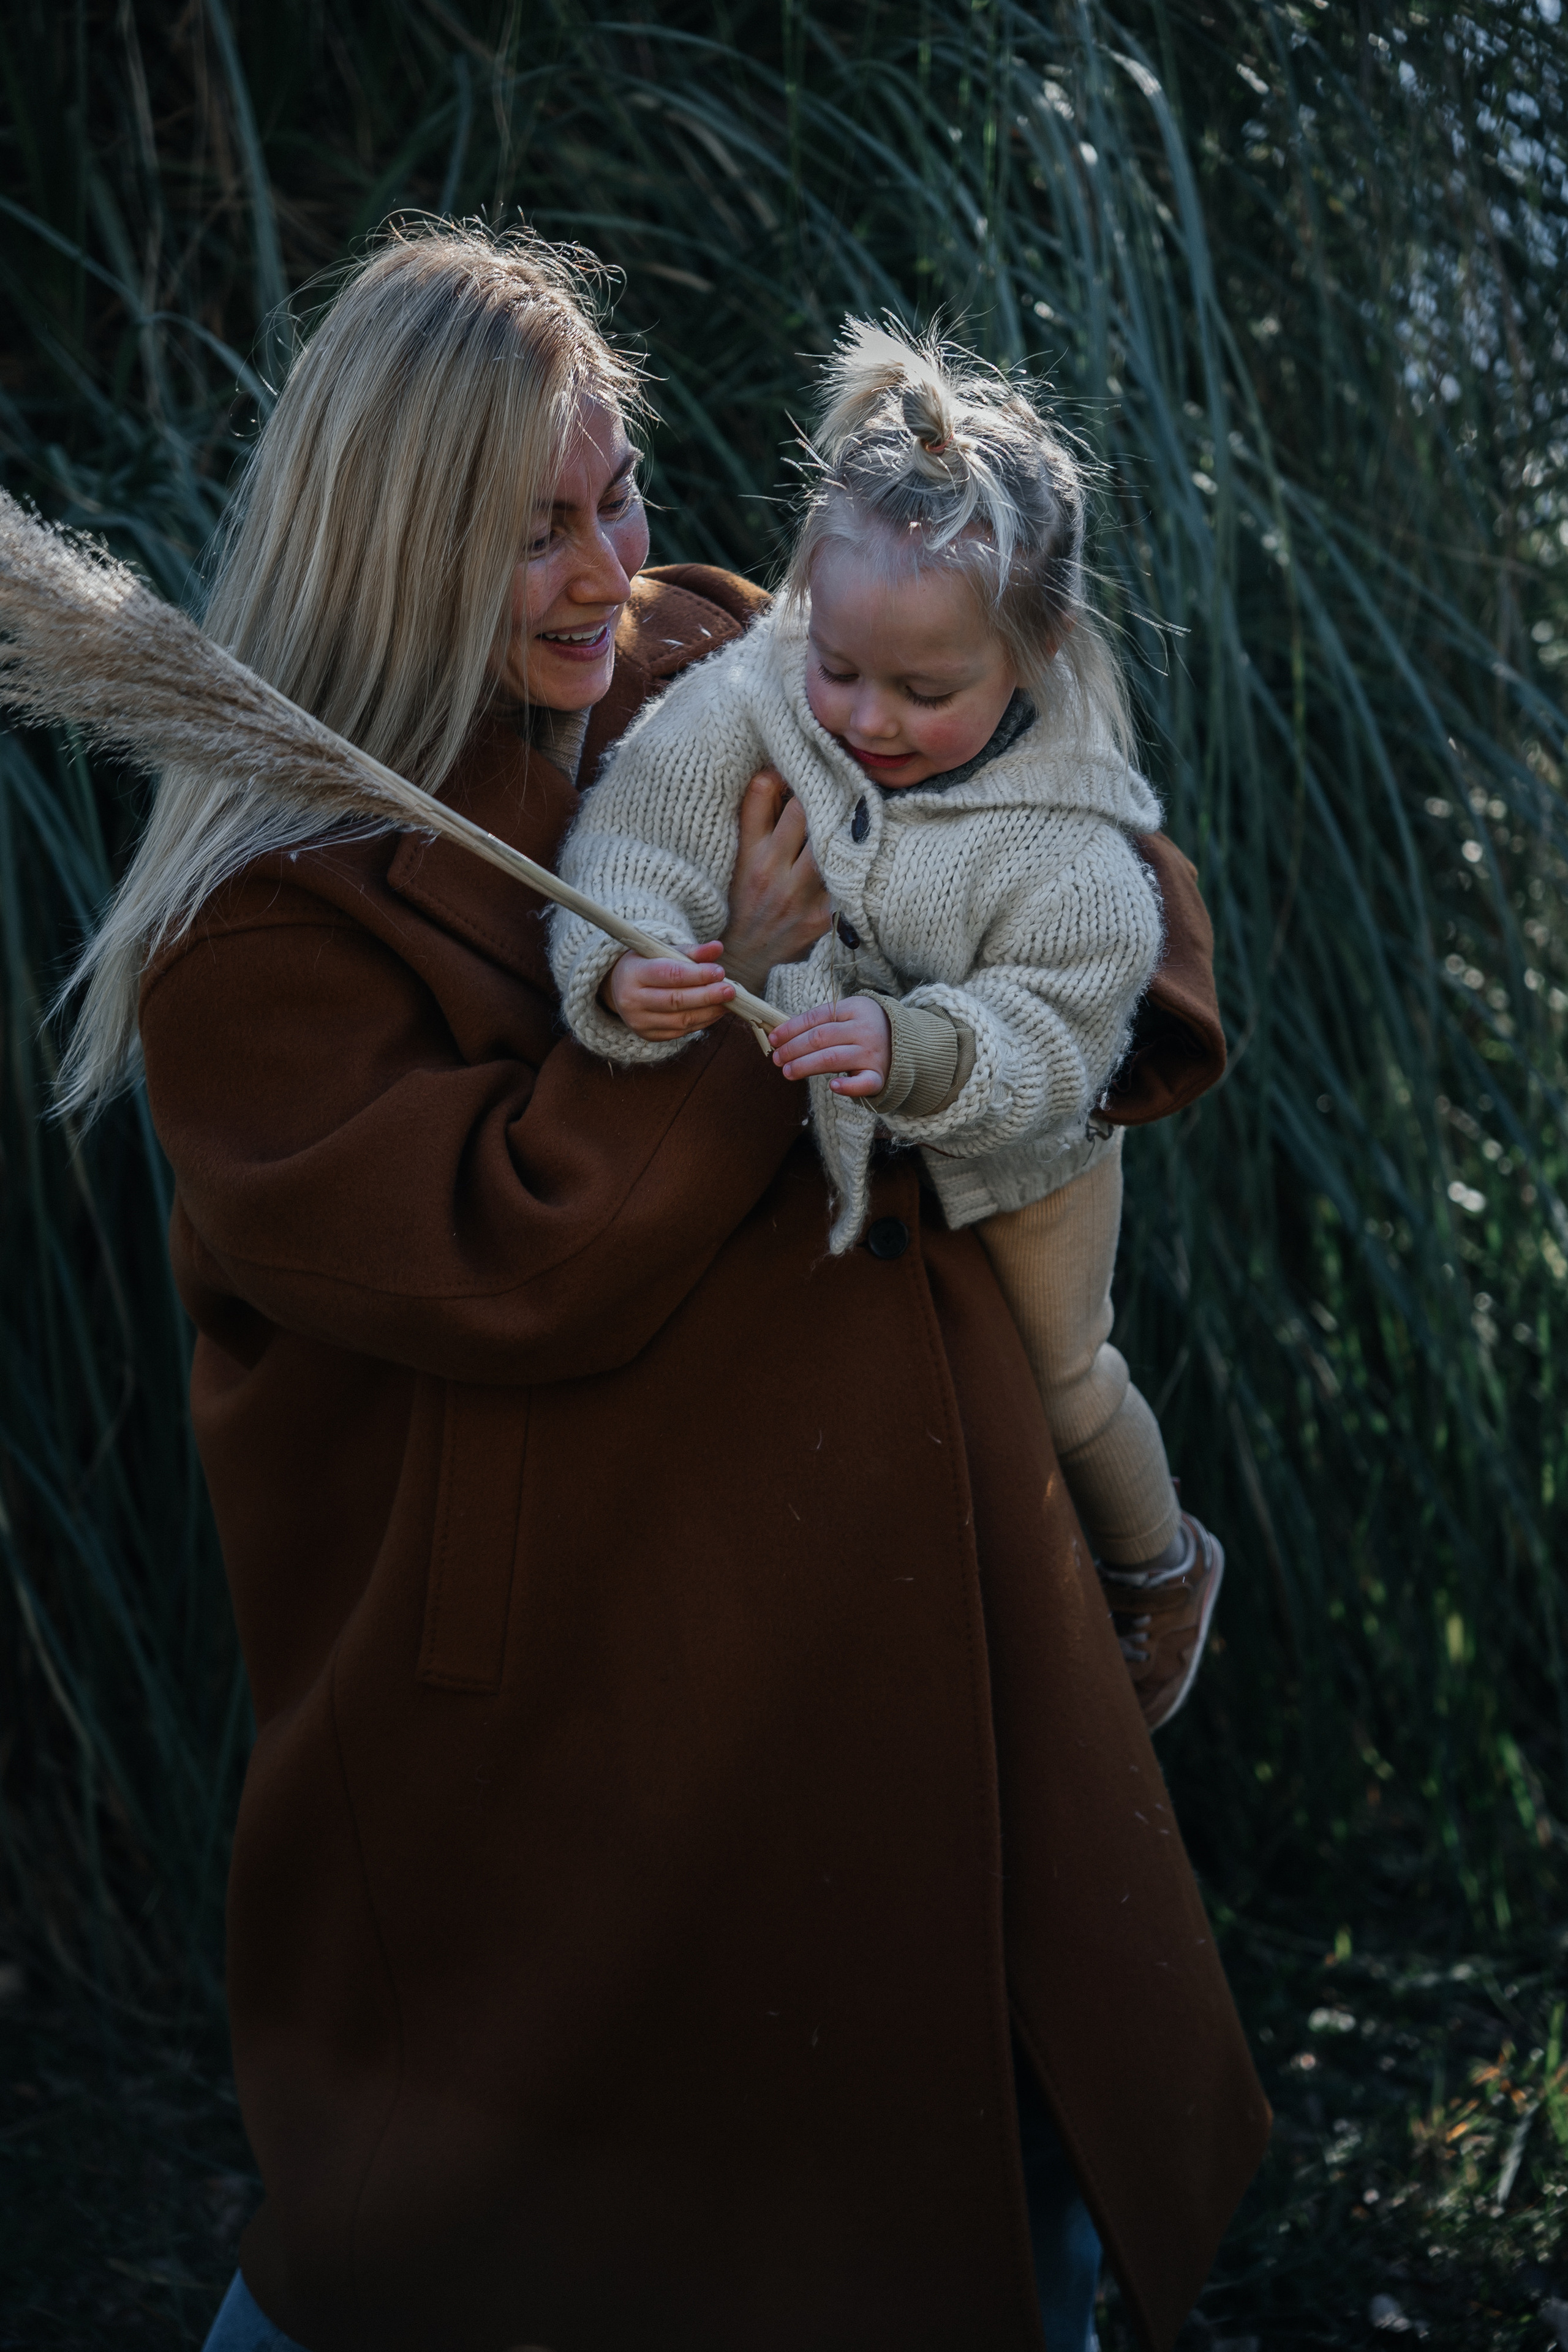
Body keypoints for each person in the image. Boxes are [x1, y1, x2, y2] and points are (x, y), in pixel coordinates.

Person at [59, 224, 1267, 2352]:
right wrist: (730, 982)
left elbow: (1087, 850)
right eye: (534, 530)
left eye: (617, 493)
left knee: (984, 2192)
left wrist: (984, 969)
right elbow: (519, 1257)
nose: (614, 565)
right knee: (513, 2254)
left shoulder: (723, 657)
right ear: (393, 541)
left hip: (920, 1617)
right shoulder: (261, 936)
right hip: (595, 1746)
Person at [551, 320, 1221, 1730]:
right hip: (805, 1127)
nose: (866, 718)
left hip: (1021, 1162)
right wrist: (629, 964)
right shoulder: (746, 697)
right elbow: (632, 841)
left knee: (1056, 1376)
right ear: (806, 604)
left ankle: (1157, 1566)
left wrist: (920, 1051)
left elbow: (1050, 1039)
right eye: (842, 668)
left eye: (925, 693)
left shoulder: (1075, 848)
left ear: (1030, 657)